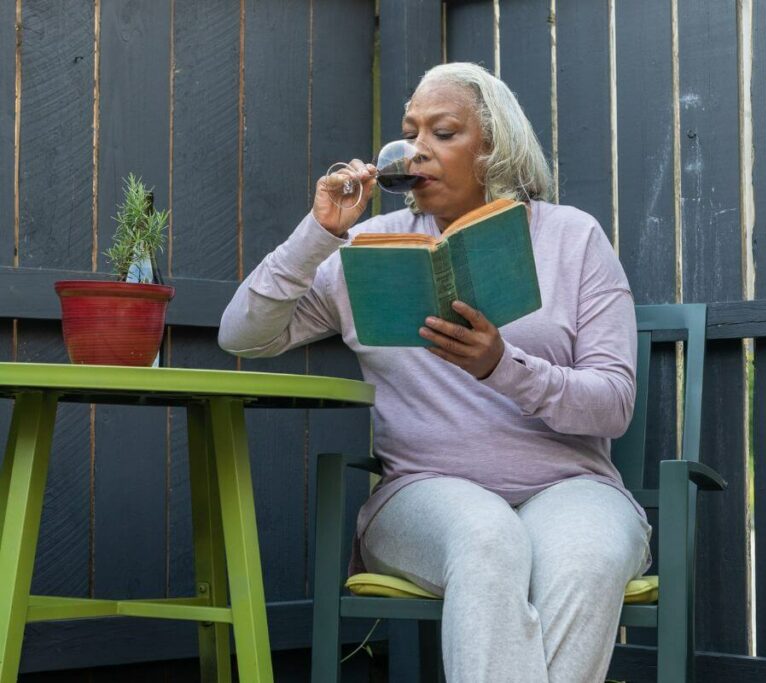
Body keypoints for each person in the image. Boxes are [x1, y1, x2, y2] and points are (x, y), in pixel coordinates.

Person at [219, 62, 650, 683]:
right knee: (488, 540)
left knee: (588, 557)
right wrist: (318, 235)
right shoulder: (370, 246)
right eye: (411, 132)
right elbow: (243, 335)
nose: (418, 150)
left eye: (443, 133)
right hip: (426, 489)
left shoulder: (573, 238)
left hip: (571, 486)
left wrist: (505, 367)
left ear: (495, 147)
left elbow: (613, 404)